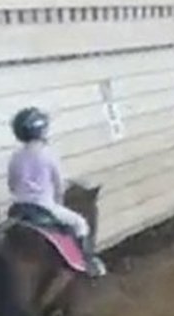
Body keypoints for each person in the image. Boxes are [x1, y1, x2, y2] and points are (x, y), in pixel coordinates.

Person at [7, 107, 106, 278]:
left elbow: (12, 185)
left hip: (19, 208)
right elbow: (59, 185)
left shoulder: (15, 156)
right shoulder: (48, 154)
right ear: (40, 131)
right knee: (80, 223)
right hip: (44, 206)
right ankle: (87, 261)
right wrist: (58, 200)